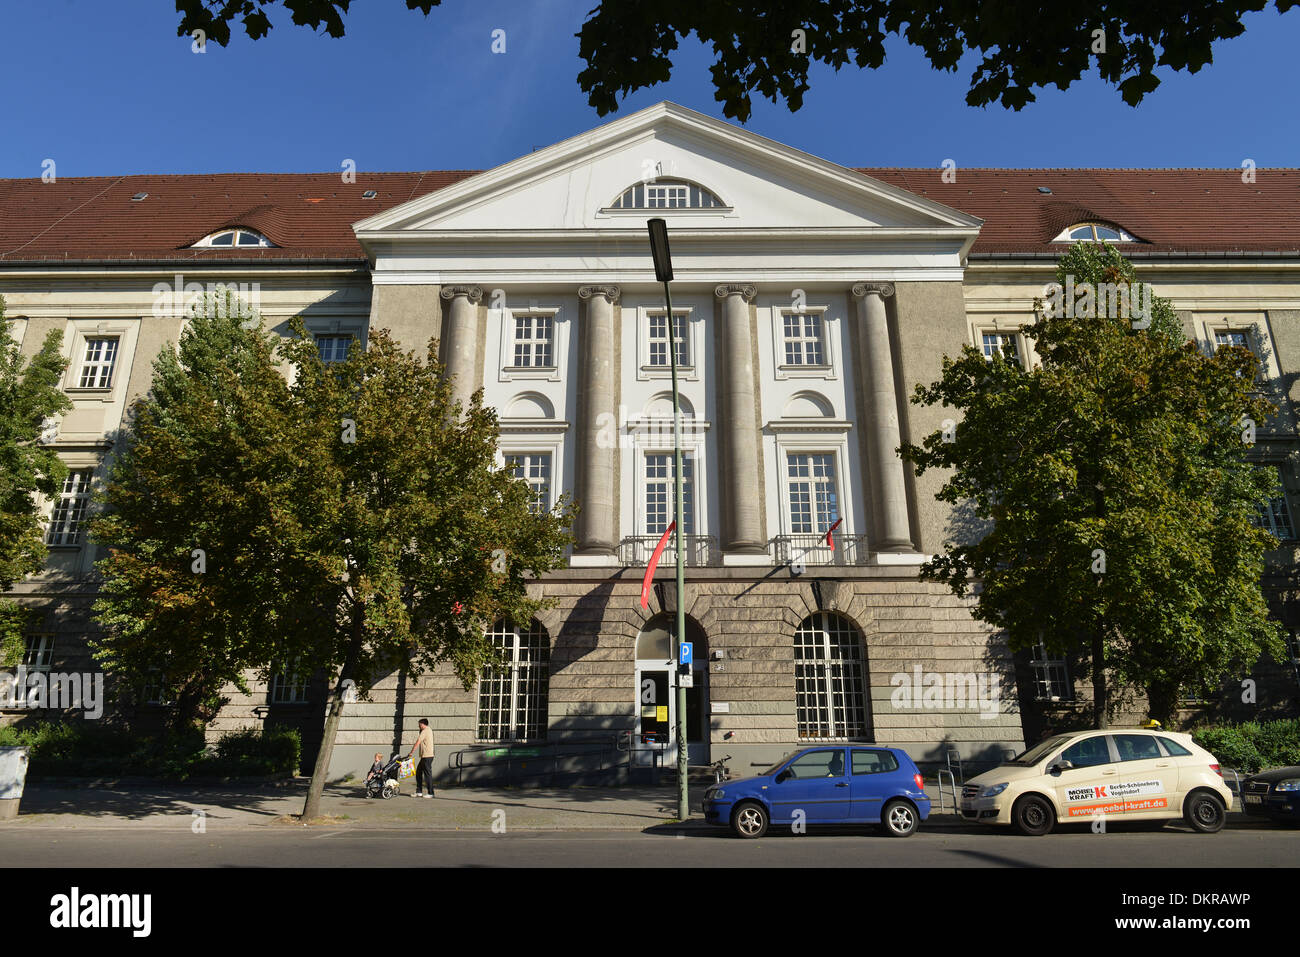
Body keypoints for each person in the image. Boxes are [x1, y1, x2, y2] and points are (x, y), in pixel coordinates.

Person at [407, 719, 435, 798]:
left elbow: (418, 742)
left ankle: (431, 793)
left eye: (419, 725)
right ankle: (419, 791)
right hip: (426, 756)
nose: (418, 726)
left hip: (427, 756)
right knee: (418, 772)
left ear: (423, 724)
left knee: (427, 775)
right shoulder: (429, 730)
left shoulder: (425, 731)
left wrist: (411, 752)